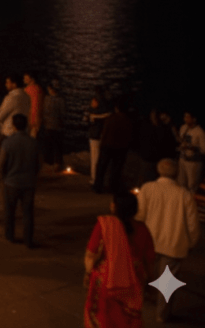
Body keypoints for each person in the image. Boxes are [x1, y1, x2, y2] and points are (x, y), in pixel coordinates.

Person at [136, 159, 201, 323]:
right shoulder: (184, 195)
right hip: (174, 244)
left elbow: (140, 216)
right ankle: (162, 314)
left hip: (150, 241)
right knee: (167, 283)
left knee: (145, 274)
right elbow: (193, 225)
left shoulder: (147, 189)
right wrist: (191, 243)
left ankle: (140, 303)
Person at [83, 193, 156, 328]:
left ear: (115, 208)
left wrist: (88, 273)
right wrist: (151, 282)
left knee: (104, 319)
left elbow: (90, 255)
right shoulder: (142, 229)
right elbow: (150, 262)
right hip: (133, 283)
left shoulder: (104, 225)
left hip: (106, 283)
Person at [0, 114, 39, 247]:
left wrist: (4, 175)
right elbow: (39, 163)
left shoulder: (8, 142)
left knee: (10, 211)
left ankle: (10, 235)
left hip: (11, 182)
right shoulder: (33, 142)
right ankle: (28, 239)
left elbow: (1, 162)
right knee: (28, 212)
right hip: (29, 182)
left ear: (14, 126)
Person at [93, 101, 132, 194]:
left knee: (102, 167)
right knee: (116, 169)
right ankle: (113, 187)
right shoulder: (128, 120)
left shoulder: (111, 118)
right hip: (121, 147)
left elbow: (105, 132)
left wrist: (102, 144)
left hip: (108, 145)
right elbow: (129, 135)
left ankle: (98, 186)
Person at [40, 81, 66, 172]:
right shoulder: (61, 100)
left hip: (48, 125)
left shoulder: (47, 99)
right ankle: (57, 163)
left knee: (48, 145)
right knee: (57, 146)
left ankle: (48, 162)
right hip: (57, 126)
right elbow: (63, 113)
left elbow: (43, 111)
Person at [87, 95, 112, 185]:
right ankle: (98, 178)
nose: (92, 103)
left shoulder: (93, 113)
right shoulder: (105, 114)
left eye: (94, 102)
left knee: (95, 159)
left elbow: (91, 119)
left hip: (95, 137)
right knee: (98, 158)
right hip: (100, 137)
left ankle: (94, 179)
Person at [177, 112, 205, 192]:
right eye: (185, 116)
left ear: (194, 119)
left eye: (188, 117)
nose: (185, 119)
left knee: (192, 185)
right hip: (182, 160)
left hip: (193, 163)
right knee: (181, 184)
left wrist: (191, 147)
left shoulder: (200, 132)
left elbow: (203, 150)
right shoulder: (183, 128)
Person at [23, 72, 44, 138]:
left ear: (32, 79)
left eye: (26, 78)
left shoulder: (27, 90)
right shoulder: (40, 89)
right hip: (39, 119)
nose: (24, 79)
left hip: (30, 119)